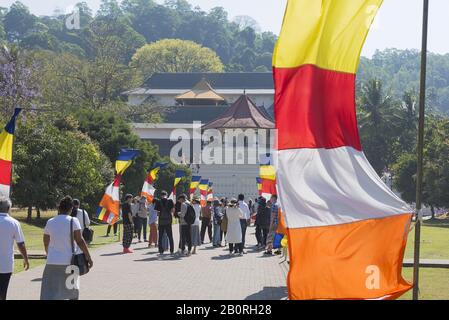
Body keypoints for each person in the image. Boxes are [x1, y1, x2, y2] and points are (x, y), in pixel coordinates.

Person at [40, 196, 93, 300]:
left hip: (52, 262)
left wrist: (48, 253)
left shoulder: (50, 221)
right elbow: (80, 241)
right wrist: (88, 257)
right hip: (70, 262)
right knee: (72, 292)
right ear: (71, 209)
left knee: (51, 293)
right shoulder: (74, 221)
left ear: (59, 208)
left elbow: (46, 241)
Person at [0, 197, 29, 300]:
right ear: (8, 208)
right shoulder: (14, 223)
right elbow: (20, 244)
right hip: (5, 264)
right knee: (2, 292)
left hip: (6, 264)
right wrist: (26, 259)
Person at [154, 191, 175, 256]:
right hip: (168, 221)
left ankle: (161, 250)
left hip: (161, 221)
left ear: (161, 195)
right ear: (167, 195)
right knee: (170, 236)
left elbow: (157, 212)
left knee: (160, 236)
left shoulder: (158, 201)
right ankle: (171, 250)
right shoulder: (170, 201)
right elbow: (172, 210)